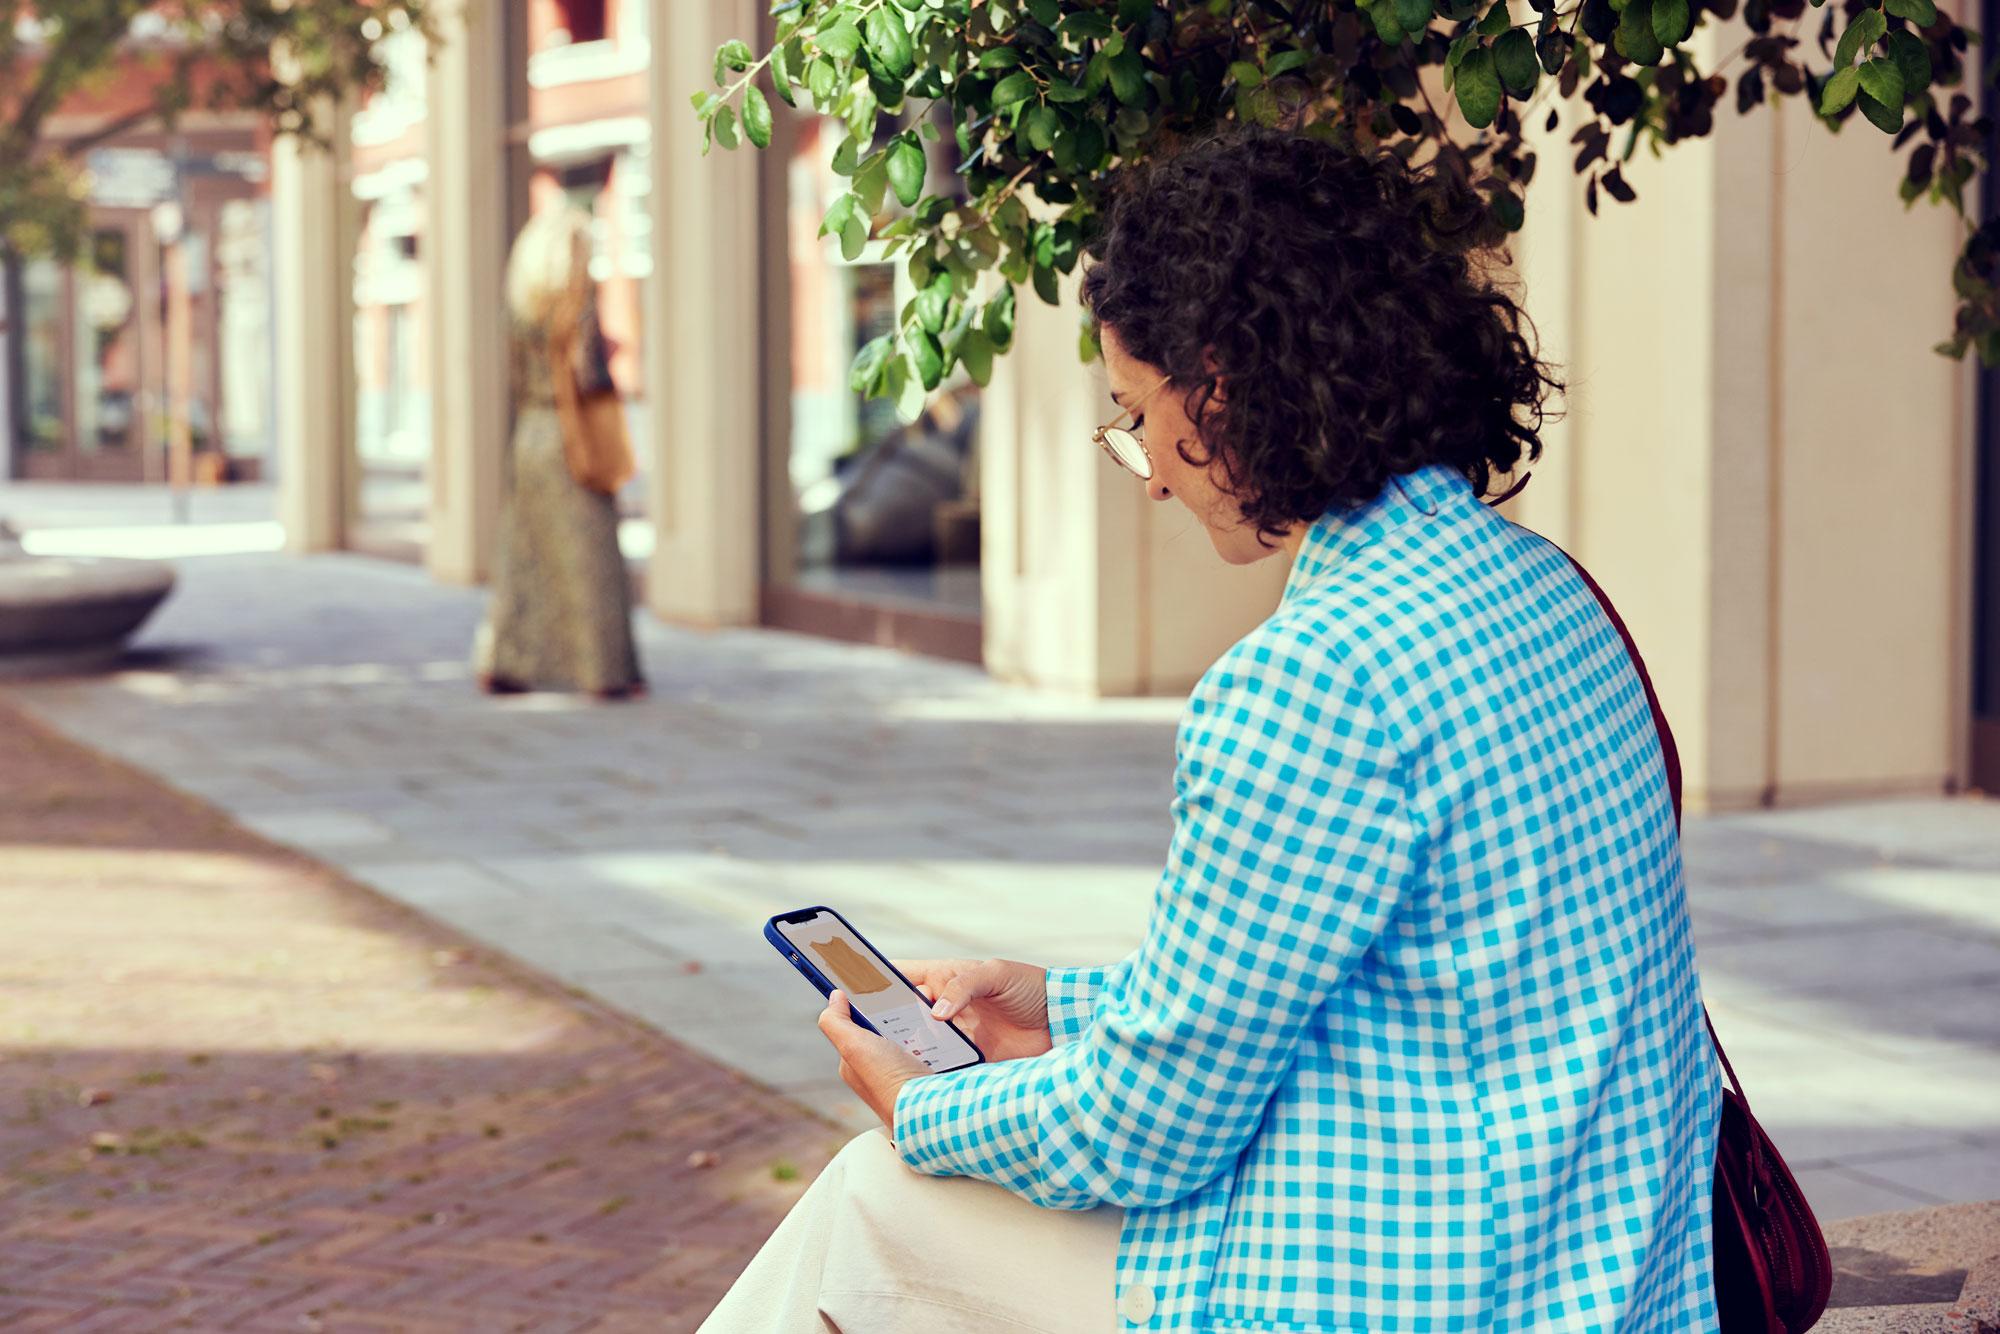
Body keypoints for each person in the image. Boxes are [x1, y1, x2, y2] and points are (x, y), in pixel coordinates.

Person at [701, 126, 1723, 1333]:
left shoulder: (1310, 676)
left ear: (1223, 387)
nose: (1145, 475)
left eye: (1134, 412)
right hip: (1615, 1280)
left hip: (1430, 1294)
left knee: (879, 1189)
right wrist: (1053, 1001)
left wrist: (914, 1099)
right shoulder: (1545, 589)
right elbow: (1348, 973)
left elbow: (1146, 1125)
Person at [471, 206, 644, 701]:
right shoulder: (577, 306)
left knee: (524, 551)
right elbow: (589, 377)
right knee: (589, 554)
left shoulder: (520, 308)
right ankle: (602, 671)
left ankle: (508, 661)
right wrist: (610, 357)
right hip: (573, 438)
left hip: (530, 434)